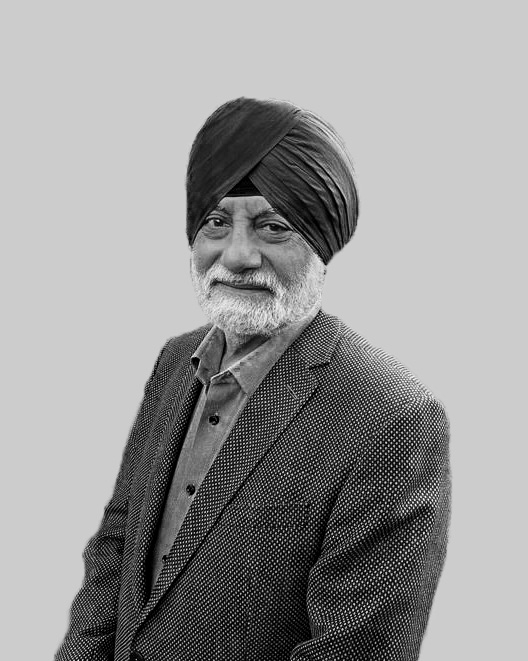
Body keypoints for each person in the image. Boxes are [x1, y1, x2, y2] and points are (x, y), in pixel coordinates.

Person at [56, 97, 450, 661]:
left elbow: (355, 651)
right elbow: (118, 545)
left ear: (322, 243)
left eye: (273, 227)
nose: (238, 255)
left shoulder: (391, 418)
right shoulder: (176, 361)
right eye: (217, 223)